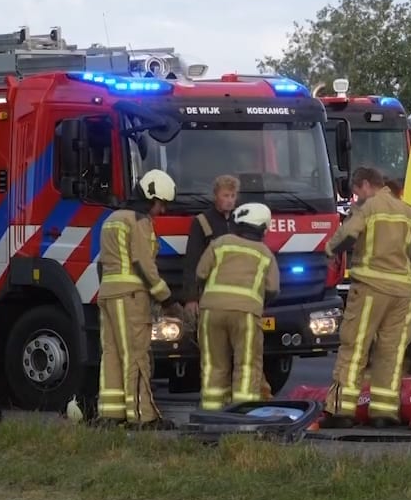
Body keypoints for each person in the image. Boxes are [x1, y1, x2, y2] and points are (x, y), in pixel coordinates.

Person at [322, 167, 411, 428]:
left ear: (365, 184)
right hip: (401, 293)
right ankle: (384, 412)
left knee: (355, 347)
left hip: (369, 289)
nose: (357, 197)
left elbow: (347, 235)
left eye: (357, 191)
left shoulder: (368, 208)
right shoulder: (407, 211)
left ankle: (342, 410)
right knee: (392, 352)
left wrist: (329, 250)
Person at [95, 170, 177, 430]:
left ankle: (111, 413)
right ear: (151, 197)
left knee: (112, 353)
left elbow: (101, 264)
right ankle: (143, 416)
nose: (162, 210)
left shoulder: (112, 219)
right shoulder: (139, 221)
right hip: (130, 296)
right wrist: (166, 297)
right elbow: (143, 263)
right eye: (161, 204)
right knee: (137, 354)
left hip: (107, 294)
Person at [193, 201, 281, 409]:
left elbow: (200, 274)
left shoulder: (220, 243)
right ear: (262, 228)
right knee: (247, 365)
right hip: (246, 314)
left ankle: (211, 411)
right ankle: (243, 411)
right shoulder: (265, 253)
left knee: (214, 365)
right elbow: (273, 289)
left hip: (211, 312)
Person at [180, 174, 240, 316]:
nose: (230, 200)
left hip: (237, 293)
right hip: (211, 294)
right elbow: (192, 261)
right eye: (225, 195)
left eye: (233, 196)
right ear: (215, 196)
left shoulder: (240, 221)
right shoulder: (202, 221)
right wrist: (191, 298)